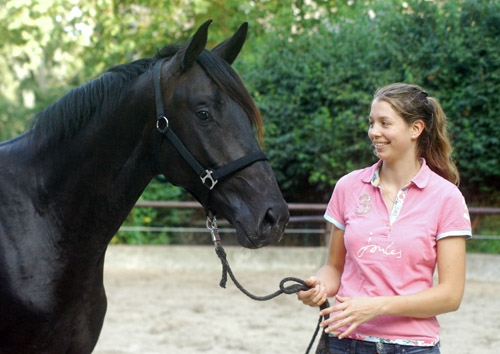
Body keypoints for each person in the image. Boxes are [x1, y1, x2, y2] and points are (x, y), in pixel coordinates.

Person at [297, 83, 471, 354]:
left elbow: (450, 295)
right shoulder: (348, 186)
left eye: (385, 123)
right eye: (371, 123)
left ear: (416, 129)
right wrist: (318, 286)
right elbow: (334, 268)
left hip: (413, 347)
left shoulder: (446, 198)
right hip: (345, 343)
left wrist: (376, 306)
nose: (374, 132)